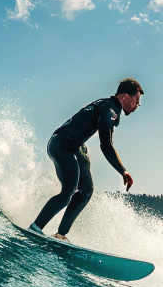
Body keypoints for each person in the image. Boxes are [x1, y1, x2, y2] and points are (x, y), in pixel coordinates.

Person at [28, 78, 143, 240]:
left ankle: (60, 235)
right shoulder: (110, 109)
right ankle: (35, 228)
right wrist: (122, 170)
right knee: (68, 191)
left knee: (86, 190)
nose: (137, 106)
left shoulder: (107, 106)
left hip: (74, 147)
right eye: (136, 101)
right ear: (125, 96)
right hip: (62, 144)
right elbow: (106, 145)